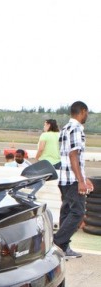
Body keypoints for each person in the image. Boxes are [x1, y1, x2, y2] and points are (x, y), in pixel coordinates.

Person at [53, 101, 95, 259]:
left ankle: (62, 248)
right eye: (87, 113)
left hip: (64, 179)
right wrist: (81, 181)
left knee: (66, 213)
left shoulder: (65, 128)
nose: (87, 116)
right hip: (72, 180)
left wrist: (84, 178)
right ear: (82, 111)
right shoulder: (76, 128)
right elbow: (74, 155)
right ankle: (57, 243)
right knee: (77, 213)